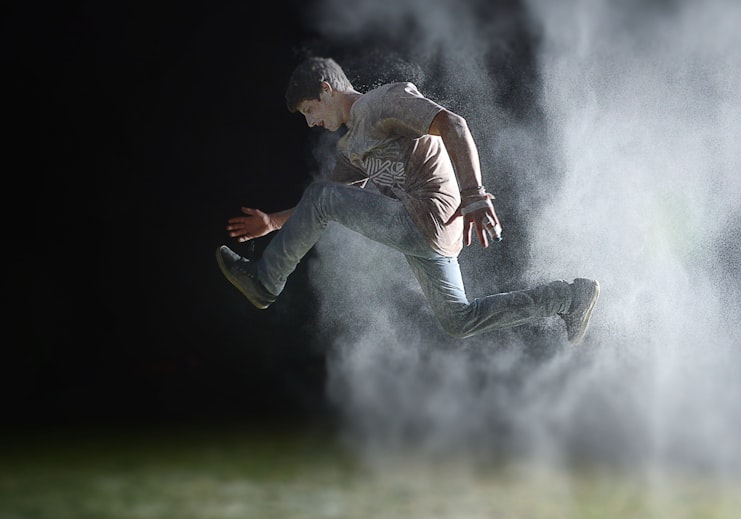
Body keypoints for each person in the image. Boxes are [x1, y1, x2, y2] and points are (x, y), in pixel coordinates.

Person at [216, 56, 599, 345]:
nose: (310, 122)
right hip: (431, 235)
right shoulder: (351, 149)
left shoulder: (384, 102)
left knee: (321, 196)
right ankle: (569, 297)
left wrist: (474, 195)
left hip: (429, 215)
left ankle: (265, 283)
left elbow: (454, 124)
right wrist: (272, 223)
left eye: (309, 110)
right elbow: (318, 210)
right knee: (459, 320)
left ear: (327, 89)